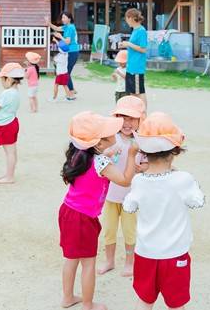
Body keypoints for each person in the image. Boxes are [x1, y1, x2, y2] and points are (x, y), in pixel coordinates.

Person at [124, 112, 205, 310]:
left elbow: (128, 206)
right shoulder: (183, 179)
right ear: (174, 151)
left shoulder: (138, 182)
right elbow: (198, 201)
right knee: (176, 304)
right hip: (175, 254)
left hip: (145, 253)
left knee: (145, 300)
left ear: (144, 152)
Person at [60, 110, 139, 310]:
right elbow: (124, 180)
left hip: (68, 212)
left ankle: (68, 298)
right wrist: (131, 155)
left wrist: (108, 155)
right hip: (84, 218)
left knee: (71, 259)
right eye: (109, 132)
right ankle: (88, 304)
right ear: (99, 143)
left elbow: (97, 161)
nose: (115, 133)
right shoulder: (101, 162)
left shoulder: (80, 154)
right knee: (88, 263)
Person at [98, 95, 146, 278]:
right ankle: (109, 261)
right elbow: (100, 159)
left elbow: (148, 163)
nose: (127, 123)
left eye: (132, 118)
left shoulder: (141, 141)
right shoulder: (110, 139)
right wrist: (109, 152)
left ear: (140, 119)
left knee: (129, 231)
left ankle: (129, 263)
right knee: (109, 230)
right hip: (109, 194)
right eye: (122, 117)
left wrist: (143, 168)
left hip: (131, 196)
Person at [0, 62, 24, 185]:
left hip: (5, 125)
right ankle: (9, 174)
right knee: (12, 151)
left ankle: (9, 176)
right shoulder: (15, 92)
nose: (2, 82)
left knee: (9, 152)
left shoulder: (7, 93)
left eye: (2, 80)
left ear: (8, 79)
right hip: (11, 122)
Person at [118, 8, 148, 106]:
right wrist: (126, 45)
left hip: (137, 66)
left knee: (139, 92)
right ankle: (135, 114)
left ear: (130, 18)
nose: (126, 22)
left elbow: (143, 49)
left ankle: (143, 114)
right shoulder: (135, 30)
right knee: (132, 92)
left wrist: (129, 44)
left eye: (126, 19)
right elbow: (134, 46)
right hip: (131, 65)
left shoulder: (141, 31)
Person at [46, 12, 79, 99]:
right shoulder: (67, 27)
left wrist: (60, 37)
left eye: (64, 18)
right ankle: (71, 90)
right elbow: (56, 28)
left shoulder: (70, 28)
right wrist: (48, 23)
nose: (62, 19)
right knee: (67, 72)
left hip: (72, 52)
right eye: (62, 18)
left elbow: (67, 41)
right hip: (71, 51)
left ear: (69, 19)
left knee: (66, 72)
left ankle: (71, 92)